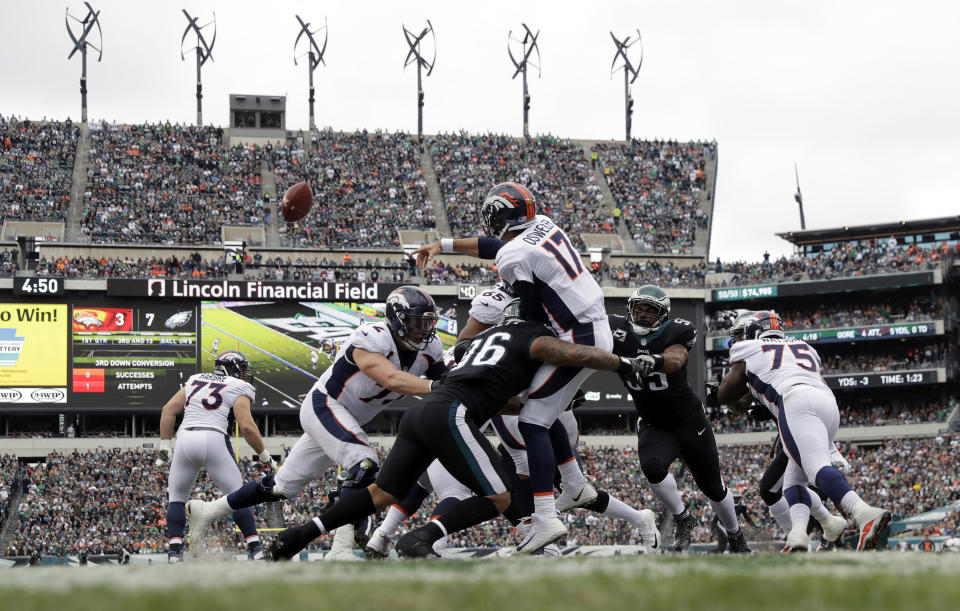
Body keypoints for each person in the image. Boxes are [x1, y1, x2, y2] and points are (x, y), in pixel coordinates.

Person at [266, 298, 656, 560]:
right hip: (451, 414)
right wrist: (620, 363)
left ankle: (300, 534)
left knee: (381, 492)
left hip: (422, 413)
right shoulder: (534, 337)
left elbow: (491, 391)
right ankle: (424, 537)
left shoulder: (483, 339)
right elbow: (573, 353)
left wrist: (539, 401)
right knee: (500, 497)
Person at [412, 182, 611, 553]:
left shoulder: (513, 256)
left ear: (496, 215)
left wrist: (513, 344)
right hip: (591, 326)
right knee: (542, 411)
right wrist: (444, 245)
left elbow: (531, 313)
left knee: (533, 418)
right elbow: (500, 248)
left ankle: (547, 516)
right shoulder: (544, 225)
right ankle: (571, 486)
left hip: (575, 337)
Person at [186, 286, 447, 560]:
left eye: (427, 323)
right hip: (326, 405)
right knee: (363, 464)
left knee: (282, 486)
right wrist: (436, 384)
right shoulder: (373, 337)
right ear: (397, 319)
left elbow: (447, 379)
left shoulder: (430, 348)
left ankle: (207, 511)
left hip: (347, 418)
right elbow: (391, 380)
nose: (423, 331)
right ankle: (340, 548)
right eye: (417, 323)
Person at [717, 310, 892, 552]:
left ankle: (863, 512)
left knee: (815, 469)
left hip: (796, 401)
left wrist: (721, 392)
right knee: (793, 480)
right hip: (826, 403)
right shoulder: (804, 346)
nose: (738, 339)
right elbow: (780, 375)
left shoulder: (750, 348)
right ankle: (798, 537)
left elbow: (727, 394)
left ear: (753, 329)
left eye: (740, 333)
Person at [609, 284, 750, 552]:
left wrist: (655, 360)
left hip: (689, 422)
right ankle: (683, 518)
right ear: (630, 309)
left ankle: (735, 535)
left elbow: (676, 358)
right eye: (639, 309)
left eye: (651, 311)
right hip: (654, 423)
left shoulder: (679, 330)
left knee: (713, 488)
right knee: (652, 467)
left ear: (663, 315)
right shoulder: (614, 328)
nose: (643, 316)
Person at [157, 351, 275, 562]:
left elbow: (168, 409)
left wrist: (165, 444)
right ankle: (256, 550)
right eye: (243, 369)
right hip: (214, 439)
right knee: (238, 495)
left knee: (176, 497)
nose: (246, 374)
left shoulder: (195, 379)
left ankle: (174, 553)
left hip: (185, 439)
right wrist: (264, 455)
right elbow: (247, 426)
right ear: (234, 368)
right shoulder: (239, 386)